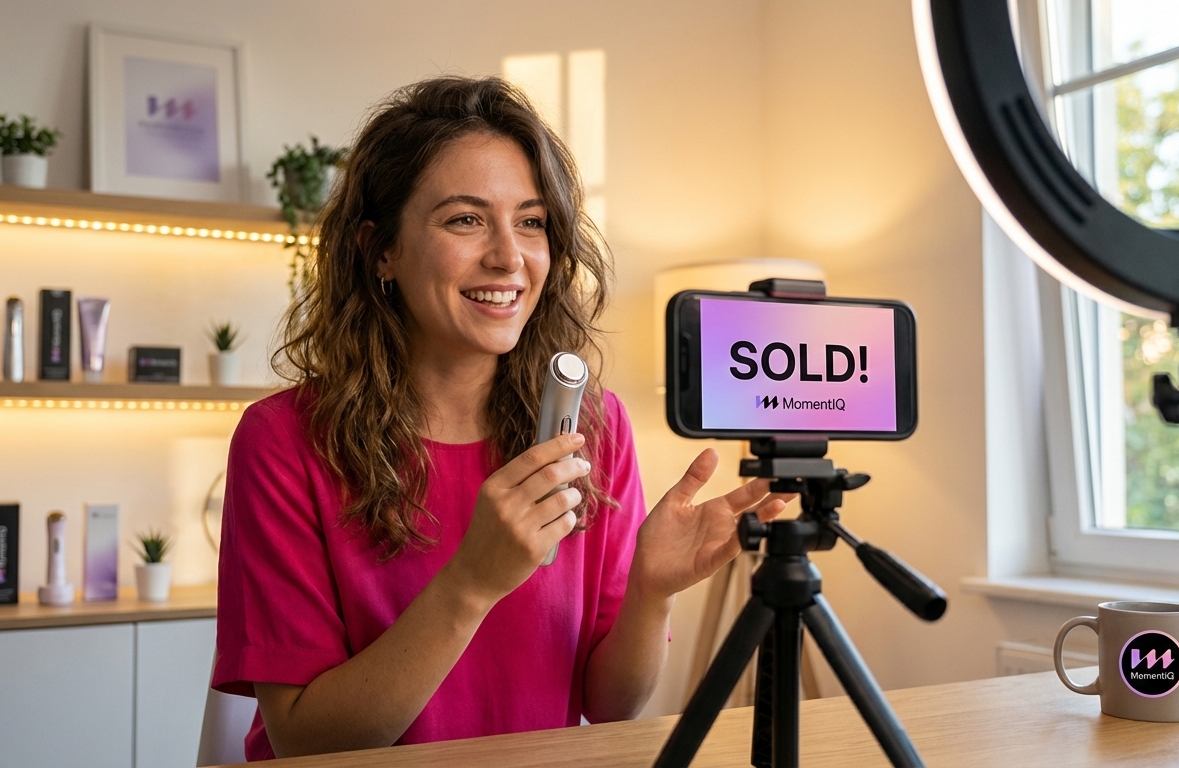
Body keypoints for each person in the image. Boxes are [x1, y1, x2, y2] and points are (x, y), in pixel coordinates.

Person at [212, 75, 788, 760]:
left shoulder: (593, 428)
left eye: (532, 221)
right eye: (465, 219)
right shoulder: (285, 440)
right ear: (380, 251)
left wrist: (651, 592)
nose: (509, 257)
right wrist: (472, 582)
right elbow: (307, 740)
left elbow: (610, 704)